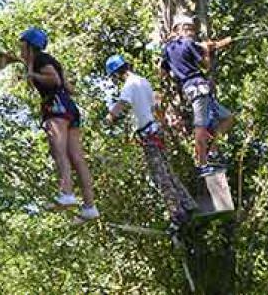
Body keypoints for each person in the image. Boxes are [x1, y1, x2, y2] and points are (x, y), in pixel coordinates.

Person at [104, 54, 196, 229]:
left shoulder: (129, 85)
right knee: (167, 170)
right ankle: (188, 204)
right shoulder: (143, 81)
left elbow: (122, 104)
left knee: (159, 174)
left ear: (116, 74)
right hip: (156, 129)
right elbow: (156, 106)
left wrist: (109, 117)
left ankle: (177, 214)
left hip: (148, 133)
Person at [20, 27, 99, 223]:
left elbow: (53, 80)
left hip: (56, 108)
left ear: (30, 46)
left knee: (59, 150)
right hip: (68, 107)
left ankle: (67, 192)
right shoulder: (45, 60)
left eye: (22, 45)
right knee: (77, 157)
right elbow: (68, 87)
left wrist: (34, 76)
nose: (19, 48)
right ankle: (90, 206)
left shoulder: (40, 60)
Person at [159, 15, 234, 175]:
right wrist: (206, 52)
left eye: (192, 29)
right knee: (200, 126)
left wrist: (217, 45)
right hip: (197, 85)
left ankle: (212, 151)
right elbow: (205, 64)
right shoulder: (187, 43)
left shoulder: (168, 48)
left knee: (227, 117)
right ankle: (202, 164)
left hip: (189, 87)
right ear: (178, 29)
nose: (191, 32)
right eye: (188, 29)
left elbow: (163, 72)